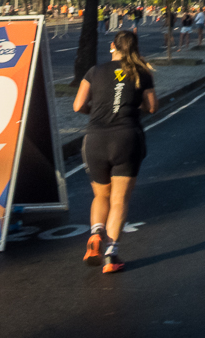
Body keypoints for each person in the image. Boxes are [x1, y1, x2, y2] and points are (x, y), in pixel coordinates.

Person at [73, 30, 158, 274]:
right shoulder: (141, 72)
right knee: (119, 200)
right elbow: (152, 107)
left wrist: (99, 110)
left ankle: (96, 232)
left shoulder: (94, 71)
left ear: (112, 46)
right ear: (135, 48)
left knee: (101, 196)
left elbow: (78, 105)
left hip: (96, 139)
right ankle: (111, 254)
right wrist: (131, 103)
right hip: (127, 138)